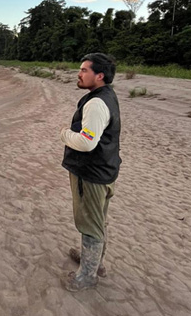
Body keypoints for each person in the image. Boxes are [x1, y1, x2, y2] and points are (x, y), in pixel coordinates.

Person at [59, 53, 122, 291]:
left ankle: (87, 275)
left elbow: (87, 142)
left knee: (90, 224)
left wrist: (64, 134)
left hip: (92, 174)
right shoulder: (106, 96)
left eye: (84, 70)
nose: (79, 73)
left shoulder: (96, 102)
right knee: (98, 221)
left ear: (100, 75)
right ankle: (96, 264)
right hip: (104, 170)